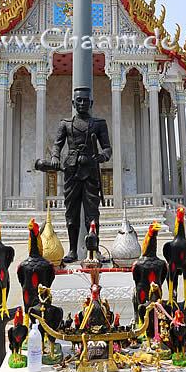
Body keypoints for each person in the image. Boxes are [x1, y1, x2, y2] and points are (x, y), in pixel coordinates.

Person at [51, 87, 112, 262]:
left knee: (92, 213)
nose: (83, 103)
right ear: (73, 103)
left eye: (86, 100)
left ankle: (95, 250)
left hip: (91, 170)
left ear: (91, 103)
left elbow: (107, 147)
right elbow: (57, 144)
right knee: (72, 212)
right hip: (72, 170)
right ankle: (72, 250)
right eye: (79, 100)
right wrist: (55, 156)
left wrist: (103, 156)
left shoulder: (99, 124)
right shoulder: (65, 124)